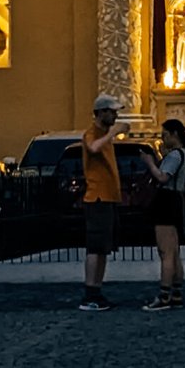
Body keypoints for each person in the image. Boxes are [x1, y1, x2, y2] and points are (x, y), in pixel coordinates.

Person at [143, 117, 185, 313]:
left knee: (165, 252)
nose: (162, 138)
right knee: (174, 252)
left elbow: (162, 177)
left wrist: (150, 162)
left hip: (165, 201)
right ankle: (176, 292)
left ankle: (164, 295)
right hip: (175, 201)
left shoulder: (174, 155)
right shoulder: (183, 153)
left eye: (165, 135)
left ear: (174, 134)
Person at [78, 94, 122, 311]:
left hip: (108, 197)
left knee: (104, 248)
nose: (115, 115)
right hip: (97, 197)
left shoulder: (105, 135)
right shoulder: (93, 133)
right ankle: (89, 293)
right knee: (95, 247)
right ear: (101, 112)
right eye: (112, 112)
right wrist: (113, 133)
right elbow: (93, 147)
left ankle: (97, 289)